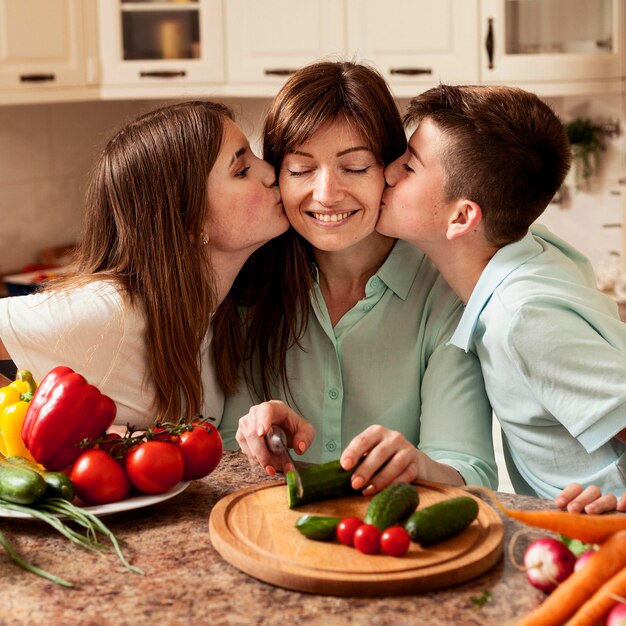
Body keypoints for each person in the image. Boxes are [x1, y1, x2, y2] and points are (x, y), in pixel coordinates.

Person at [219, 61, 498, 496]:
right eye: (300, 170)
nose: (326, 193)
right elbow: (221, 451)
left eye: (355, 167)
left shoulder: (444, 291)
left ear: (391, 169)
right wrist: (254, 441)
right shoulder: (249, 283)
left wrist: (419, 465)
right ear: (276, 173)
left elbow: (470, 469)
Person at [377, 84, 626, 513]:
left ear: (462, 217)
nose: (388, 170)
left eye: (410, 167)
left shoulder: (523, 316)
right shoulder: (526, 243)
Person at [0, 101, 289, 428]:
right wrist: (18, 434)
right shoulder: (114, 311)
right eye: (241, 170)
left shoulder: (212, 310)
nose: (270, 173)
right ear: (190, 221)